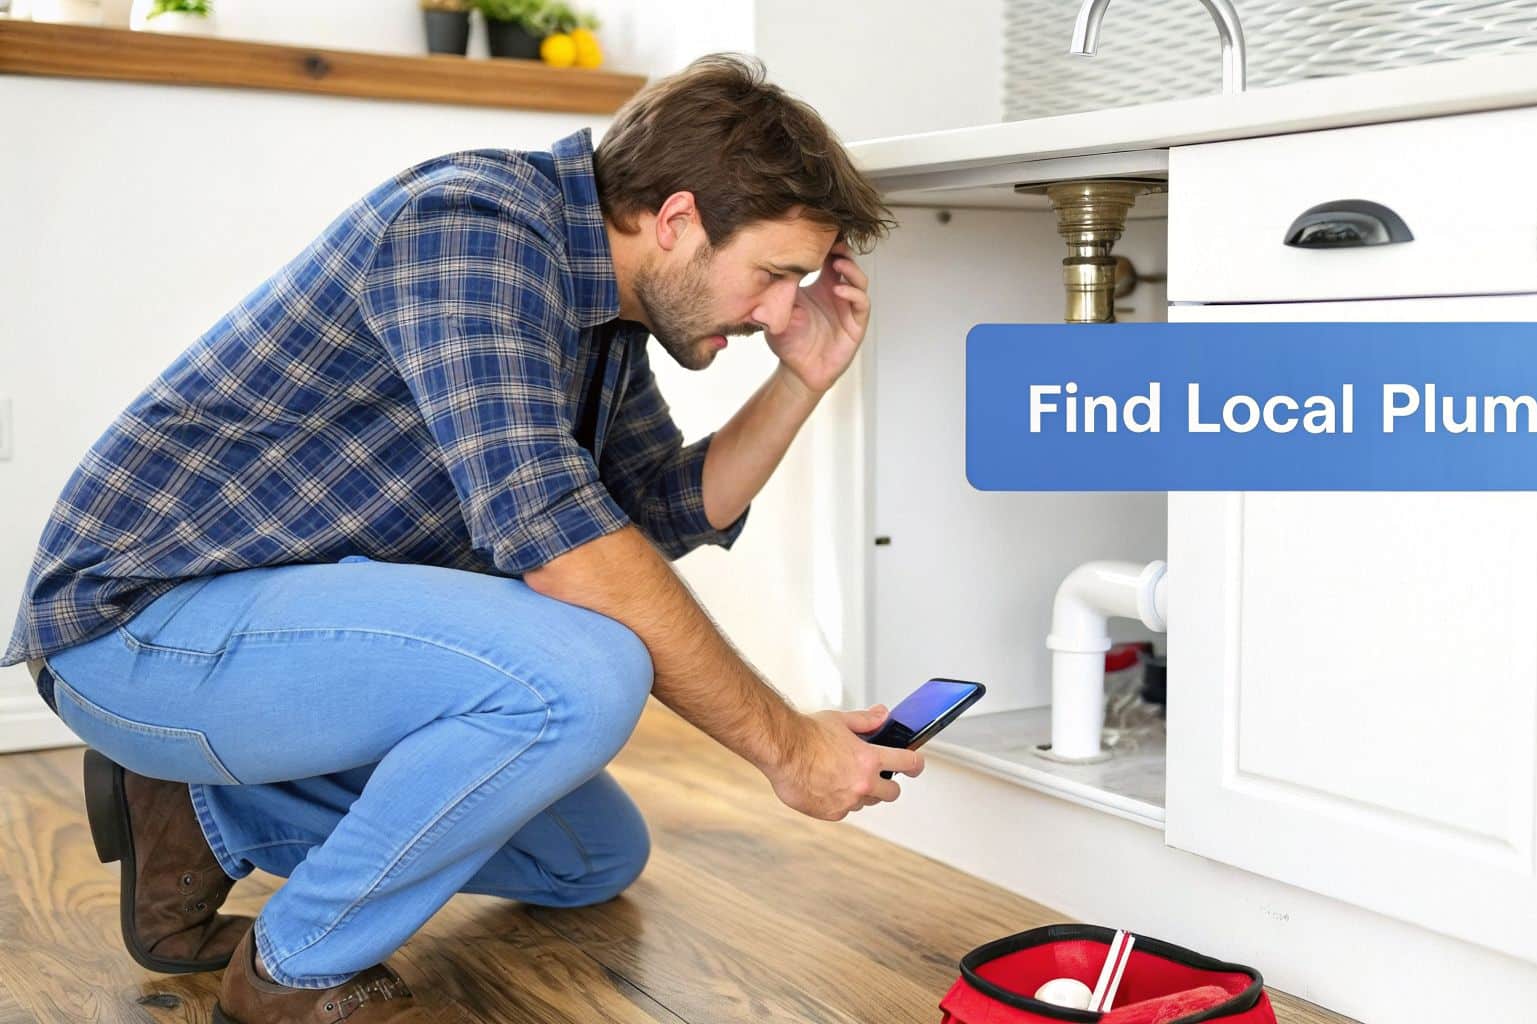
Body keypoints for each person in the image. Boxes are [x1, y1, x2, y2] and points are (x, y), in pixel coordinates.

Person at [2, 52, 920, 1023]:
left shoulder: (601, 311)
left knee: (591, 855)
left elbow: (656, 511)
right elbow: (570, 551)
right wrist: (787, 748)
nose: (780, 310)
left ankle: (204, 811)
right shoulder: (472, 230)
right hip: (133, 624)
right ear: (678, 220)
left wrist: (800, 379)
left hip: (275, 638)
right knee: (590, 669)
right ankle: (291, 972)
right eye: (773, 276)